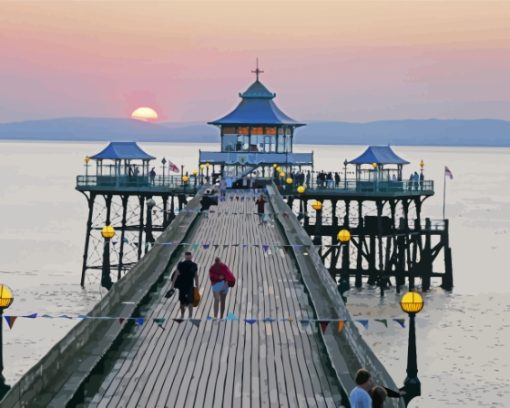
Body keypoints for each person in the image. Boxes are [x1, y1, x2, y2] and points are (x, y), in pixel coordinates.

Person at [165, 252, 199, 319]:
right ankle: (189, 316)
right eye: (188, 256)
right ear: (190, 257)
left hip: (184, 285)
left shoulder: (182, 265)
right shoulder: (193, 265)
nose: (188, 257)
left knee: (183, 301)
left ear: (185, 257)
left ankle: (184, 315)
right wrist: (197, 285)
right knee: (189, 301)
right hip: (188, 285)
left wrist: (172, 285)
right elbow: (196, 276)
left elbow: (176, 275)